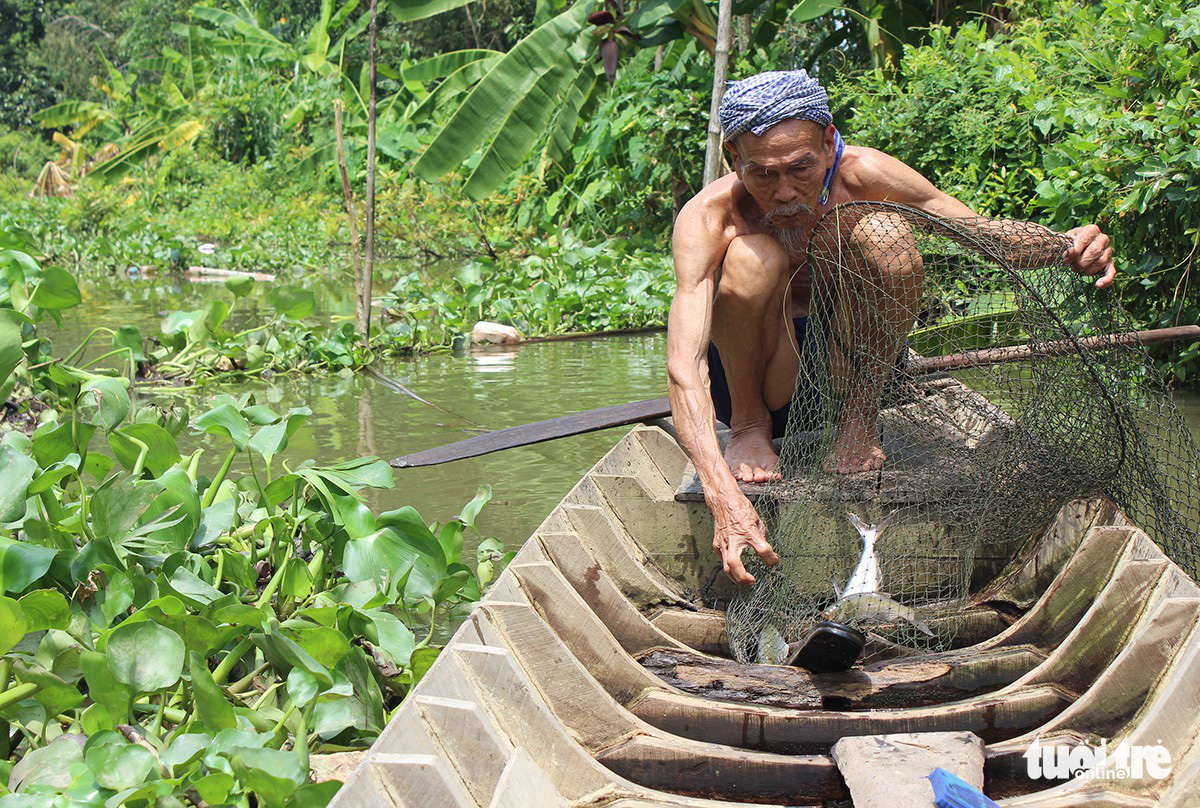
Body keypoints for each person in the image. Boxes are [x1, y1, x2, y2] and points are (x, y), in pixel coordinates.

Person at [666, 70, 1117, 586]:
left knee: (886, 233)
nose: (785, 191)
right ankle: (750, 428)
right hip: (762, 376)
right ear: (734, 159)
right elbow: (685, 365)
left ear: (829, 142)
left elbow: (984, 235)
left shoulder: (864, 175)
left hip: (850, 364)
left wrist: (1067, 246)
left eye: (801, 168)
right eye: (763, 174)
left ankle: (858, 420)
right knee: (754, 257)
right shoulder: (711, 216)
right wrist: (722, 495)